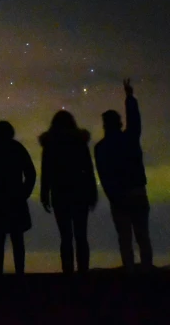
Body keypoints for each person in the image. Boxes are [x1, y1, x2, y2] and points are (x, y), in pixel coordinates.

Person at [95, 78, 153, 271]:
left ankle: (129, 270)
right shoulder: (129, 138)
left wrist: (113, 195)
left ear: (104, 125)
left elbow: (103, 175)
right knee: (142, 235)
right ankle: (146, 270)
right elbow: (135, 121)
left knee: (125, 238)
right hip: (136, 191)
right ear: (119, 123)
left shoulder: (101, 148)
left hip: (118, 196)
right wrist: (129, 98)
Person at [39, 111, 98, 274]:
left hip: (60, 194)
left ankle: (68, 272)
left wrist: (44, 193)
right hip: (80, 193)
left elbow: (46, 171)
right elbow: (88, 169)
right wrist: (92, 192)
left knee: (66, 237)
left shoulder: (50, 144)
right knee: (81, 236)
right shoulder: (79, 142)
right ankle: (83, 272)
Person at [0, 121, 37, 276]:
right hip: (15, 199)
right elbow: (30, 173)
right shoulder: (17, 149)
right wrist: (24, 192)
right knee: (16, 240)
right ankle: (19, 273)